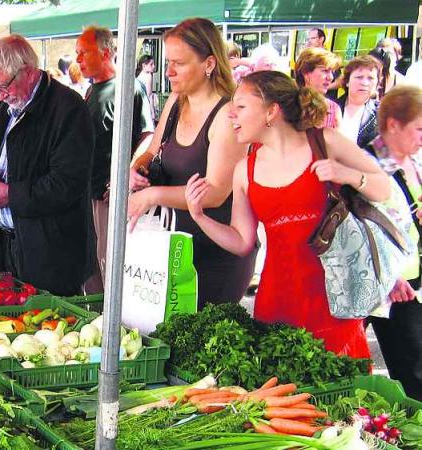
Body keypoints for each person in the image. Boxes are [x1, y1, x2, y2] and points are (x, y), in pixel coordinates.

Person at [184, 70, 391, 358]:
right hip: (277, 300)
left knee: (342, 393)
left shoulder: (325, 142)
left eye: (241, 107)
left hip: (334, 297)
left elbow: (384, 190)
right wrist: (200, 217)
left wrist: (348, 175)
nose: (231, 115)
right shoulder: (245, 169)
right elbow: (242, 240)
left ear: (272, 111)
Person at [129, 18, 256, 307]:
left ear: (209, 64)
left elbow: (214, 192)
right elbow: (153, 149)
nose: (169, 71)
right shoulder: (177, 99)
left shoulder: (226, 115)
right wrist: (140, 168)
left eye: (179, 63)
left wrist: (153, 194)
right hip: (173, 246)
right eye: (168, 62)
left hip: (215, 252)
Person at [0, 34, 96, 296]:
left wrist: (8, 195)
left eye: (3, 86)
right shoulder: (8, 106)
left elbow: (66, 184)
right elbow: (4, 153)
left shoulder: (68, 108)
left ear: (27, 72)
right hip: (9, 245)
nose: (0, 95)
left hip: (51, 253)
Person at [77, 26, 153, 292]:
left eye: (84, 53)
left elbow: (147, 136)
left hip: (110, 196)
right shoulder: (90, 91)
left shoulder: (130, 88)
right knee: (90, 263)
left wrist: (123, 176)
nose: (78, 60)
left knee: (111, 263)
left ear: (106, 52)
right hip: (87, 191)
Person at [368, 85, 422, 400]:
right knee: (410, 368)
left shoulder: (408, 161)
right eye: (418, 128)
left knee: (412, 365)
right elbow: (362, 225)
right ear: (393, 125)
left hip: (406, 279)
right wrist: (389, 274)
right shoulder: (368, 162)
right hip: (388, 283)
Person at [335, 55, 381, 152]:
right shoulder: (331, 108)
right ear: (347, 81)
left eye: (370, 78)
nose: (364, 83)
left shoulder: (381, 113)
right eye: (359, 77)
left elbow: (383, 153)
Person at [296, 47, 342, 128]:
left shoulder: (333, 109)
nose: (330, 77)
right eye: (325, 71)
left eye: (332, 72)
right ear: (306, 72)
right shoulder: (287, 105)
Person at [136, 54, 160, 124]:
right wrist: (152, 112)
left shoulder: (139, 76)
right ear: (144, 65)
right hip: (146, 108)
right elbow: (149, 96)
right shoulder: (148, 76)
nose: (154, 66)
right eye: (151, 64)